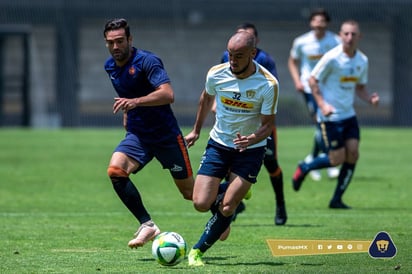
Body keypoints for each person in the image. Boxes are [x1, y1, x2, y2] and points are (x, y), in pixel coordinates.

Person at [185, 31, 279, 266]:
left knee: (228, 206)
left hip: (251, 149)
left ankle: (196, 251)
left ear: (252, 54)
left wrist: (251, 138)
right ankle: (236, 188)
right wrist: (196, 130)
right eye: (230, 55)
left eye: (239, 56)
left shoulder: (268, 84)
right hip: (219, 144)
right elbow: (206, 99)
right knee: (200, 203)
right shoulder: (216, 74)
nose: (233, 61)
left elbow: (268, 126)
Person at [103, 18, 194, 248]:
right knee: (116, 170)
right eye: (110, 42)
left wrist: (135, 102)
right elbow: (127, 91)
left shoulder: (147, 61)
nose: (115, 47)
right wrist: (128, 111)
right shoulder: (110, 66)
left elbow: (167, 94)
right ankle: (147, 225)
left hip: (166, 136)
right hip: (139, 135)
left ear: (130, 40)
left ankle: (226, 195)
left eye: (120, 41)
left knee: (192, 195)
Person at [292, 20, 380, 209]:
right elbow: (312, 80)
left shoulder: (362, 60)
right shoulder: (331, 57)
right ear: (340, 36)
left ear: (359, 37)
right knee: (336, 159)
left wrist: (370, 99)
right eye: (346, 34)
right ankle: (305, 167)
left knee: (353, 154)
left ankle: (336, 199)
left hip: (349, 116)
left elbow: (360, 87)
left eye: (353, 34)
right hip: (330, 118)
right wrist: (322, 105)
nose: (349, 38)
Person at [220, 22, 286, 225]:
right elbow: (221, 83)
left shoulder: (265, 60)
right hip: (235, 124)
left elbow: (272, 89)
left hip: (260, 126)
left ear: (254, 45)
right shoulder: (226, 57)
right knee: (225, 163)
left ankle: (280, 204)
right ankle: (233, 203)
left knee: (271, 164)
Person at [288, 8, 341, 181]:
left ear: (327, 23)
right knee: (321, 122)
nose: (319, 24)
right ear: (311, 23)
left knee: (325, 123)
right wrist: (297, 80)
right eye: (315, 20)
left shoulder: (335, 41)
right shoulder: (302, 42)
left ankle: (313, 160)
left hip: (329, 89)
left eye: (322, 21)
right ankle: (327, 160)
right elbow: (292, 61)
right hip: (310, 88)